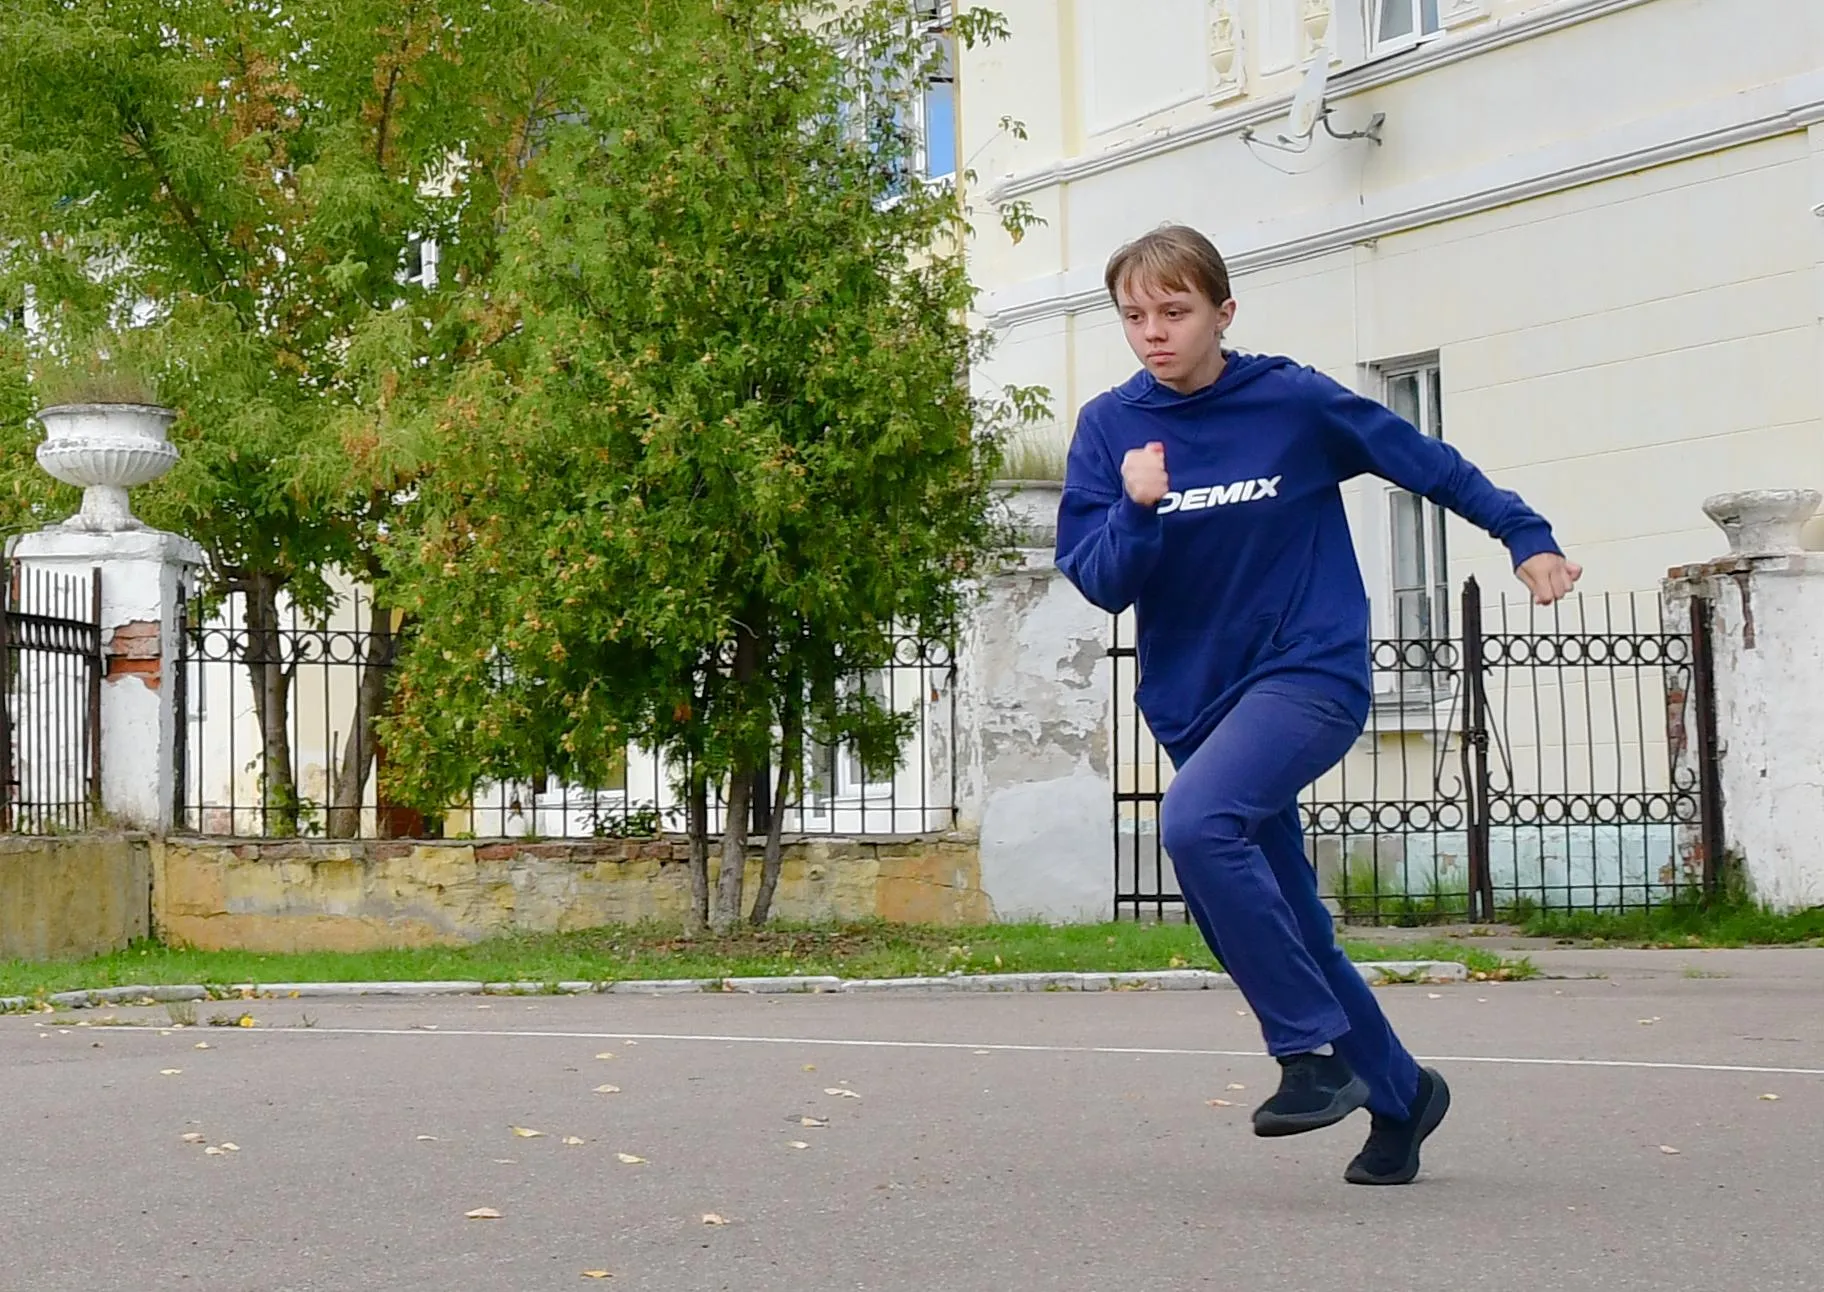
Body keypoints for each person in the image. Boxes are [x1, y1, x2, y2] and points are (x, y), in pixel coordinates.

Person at [1054, 224, 1581, 1185]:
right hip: (1194, 707)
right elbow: (1100, 583)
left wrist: (1524, 534)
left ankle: (1309, 1053)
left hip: (1310, 674)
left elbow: (1424, 462)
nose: (1153, 335)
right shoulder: (1109, 428)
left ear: (1223, 312)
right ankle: (1399, 1093)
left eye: (1175, 313)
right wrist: (1134, 509)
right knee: (1285, 921)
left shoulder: (1290, 401)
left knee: (1197, 824)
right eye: (1135, 317)